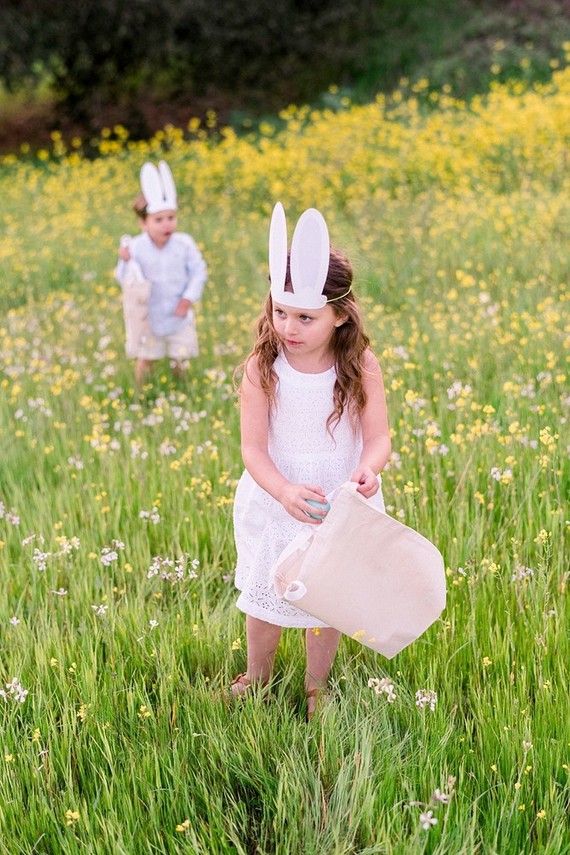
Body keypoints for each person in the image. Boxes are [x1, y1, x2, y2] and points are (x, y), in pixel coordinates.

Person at [232, 203, 391, 718]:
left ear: (340, 315)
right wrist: (282, 491)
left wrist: (370, 469)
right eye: (281, 312)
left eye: (305, 317)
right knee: (266, 599)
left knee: (326, 597)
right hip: (279, 495)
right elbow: (252, 449)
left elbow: (379, 438)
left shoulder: (361, 364)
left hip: (335, 495)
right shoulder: (263, 368)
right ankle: (257, 676)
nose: (289, 327)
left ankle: (316, 684)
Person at [115, 160, 207, 389]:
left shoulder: (184, 244)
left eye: (171, 218)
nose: (167, 224)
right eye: (158, 220)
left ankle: (183, 391)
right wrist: (125, 261)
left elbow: (198, 271)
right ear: (143, 223)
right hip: (149, 317)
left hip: (179, 313)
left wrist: (188, 299)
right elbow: (125, 279)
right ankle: (141, 395)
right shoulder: (135, 247)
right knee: (147, 358)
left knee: (180, 358)